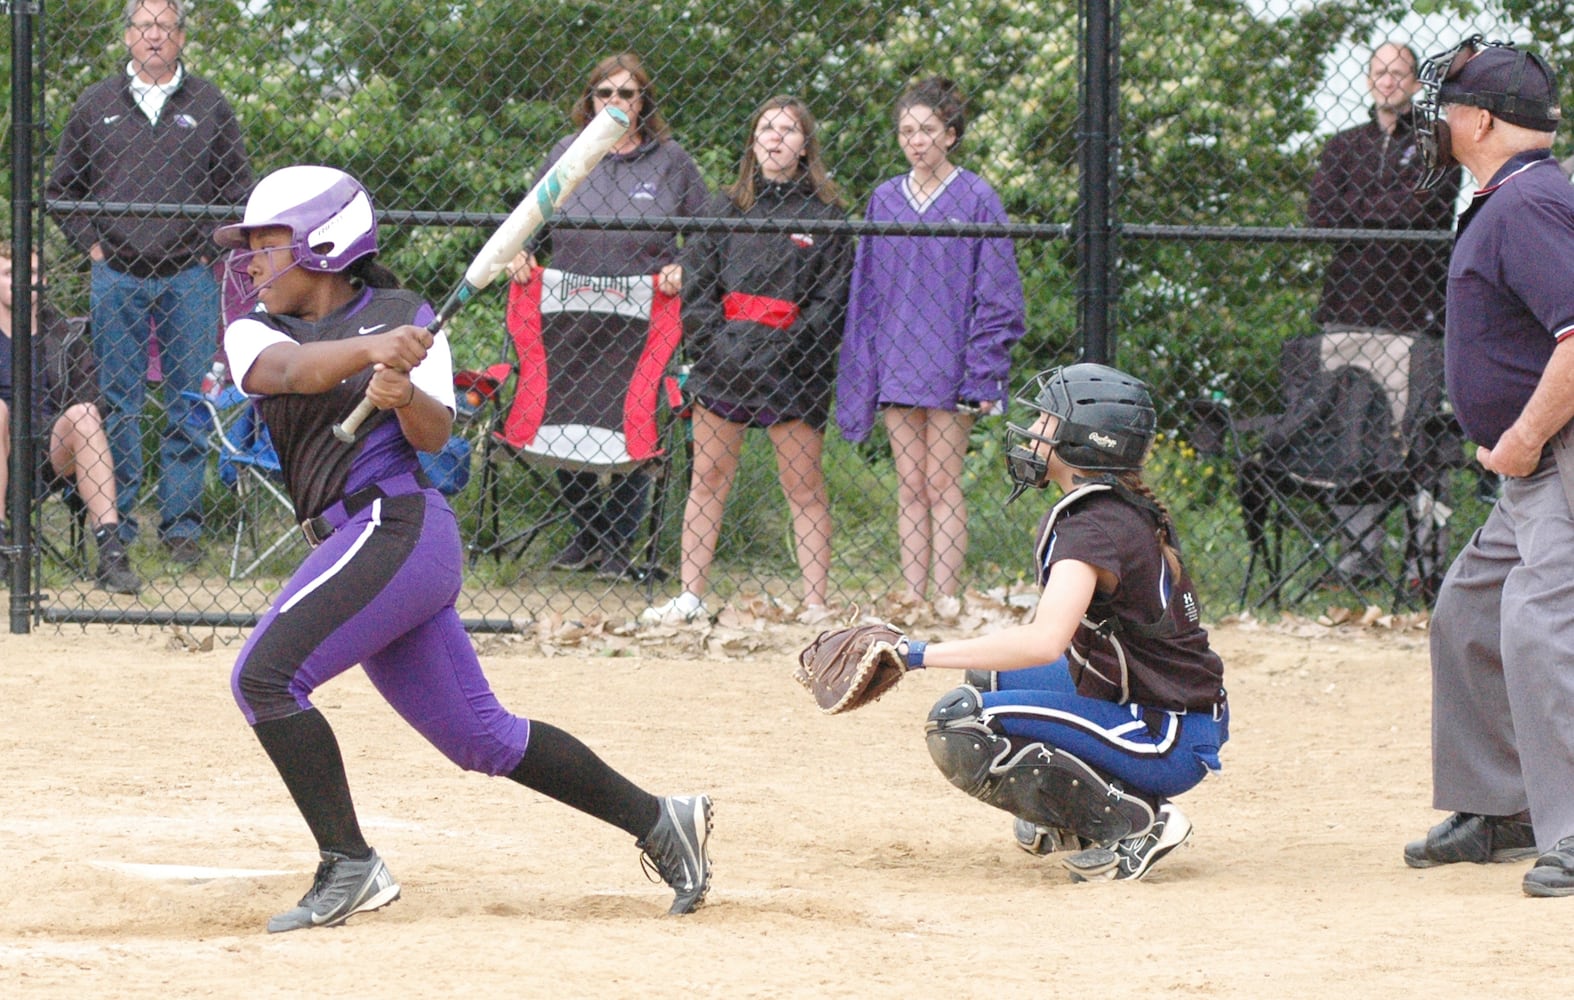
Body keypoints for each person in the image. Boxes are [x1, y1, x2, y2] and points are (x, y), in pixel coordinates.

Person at [214, 165, 712, 932]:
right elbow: (283, 372)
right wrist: (370, 354)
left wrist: (403, 392)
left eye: (268, 244)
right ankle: (662, 820)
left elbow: (434, 435)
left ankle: (350, 864)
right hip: (361, 541)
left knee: (265, 677)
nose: (252, 262)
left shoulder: (410, 318)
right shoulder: (263, 330)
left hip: (398, 529)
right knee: (483, 739)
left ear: (323, 242)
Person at [904, 364, 1228, 881]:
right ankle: (1075, 817)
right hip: (1152, 699)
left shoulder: (1095, 527)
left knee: (961, 723)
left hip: (1164, 733)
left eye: (1047, 422)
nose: (1033, 431)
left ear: (1087, 440)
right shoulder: (1109, 508)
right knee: (991, 679)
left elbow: (1043, 642)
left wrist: (914, 654)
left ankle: (1140, 821)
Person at [1402, 38, 1574, 898]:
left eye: (1449, 105)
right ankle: (1499, 805)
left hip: (1557, 455)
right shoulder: (1506, 197)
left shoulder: (1529, 203)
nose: (1439, 119)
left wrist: (1523, 438)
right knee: (1466, 612)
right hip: (1533, 466)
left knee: (1540, 626)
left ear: (1482, 120)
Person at [46, 0, 253, 565]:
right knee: (120, 402)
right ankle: (120, 527)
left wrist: (207, 243)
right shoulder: (95, 104)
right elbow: (61, 188)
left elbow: (238, 190)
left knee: (188, 400)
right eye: (143, 26)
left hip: (189, 277)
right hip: (117, 276)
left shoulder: (209, 104)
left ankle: (182, 526)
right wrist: (93, 242)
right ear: (128, 37)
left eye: (164, 26)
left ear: (182, 36)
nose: (154, 35)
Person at [639, 96, 852, 626]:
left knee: (803, 484)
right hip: (725, 362)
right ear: (753, 140)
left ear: (806, 146)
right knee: (708, 476)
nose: (775, 137)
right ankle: (690, 597)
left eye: (788, 129)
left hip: (793, 369)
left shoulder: (828, 217)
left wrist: (784, 349)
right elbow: (698, 289)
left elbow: (831, 304)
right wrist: (720, 345)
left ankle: (816, 605)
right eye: (765, 128)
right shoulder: (722, 207)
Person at [508, 52, 708, 581]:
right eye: (605, 93)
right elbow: (531, 219)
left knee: (631, 422)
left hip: (640, 325)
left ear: (644, 102)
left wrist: (683, 267)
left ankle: (619, 545)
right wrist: (523, 252)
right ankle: (589, 534)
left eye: (627, 93)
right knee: (565, 421)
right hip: (568, 318)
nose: (615, 102)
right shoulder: (565, 153)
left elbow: (709, 233)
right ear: (589, 100)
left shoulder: (671, 161)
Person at [837, 76, 1026, 608]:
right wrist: (866, 367)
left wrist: (983, 369)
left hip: (952, 363)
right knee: (910, 486)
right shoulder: (884, 200)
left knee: (943, 484)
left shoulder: (977, 197)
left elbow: (1000, 294)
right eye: (906, 131)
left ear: (951, 134)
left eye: (927, 129)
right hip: (897, 359)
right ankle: (913, 598)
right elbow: (867, 292)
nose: (916, 140)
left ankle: (946, 599)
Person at [1306, 42, 1461, 582]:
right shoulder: (1343, 145)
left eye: (1399, 73)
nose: (1388, 81)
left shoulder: (1438, 142)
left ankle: (1426, 563)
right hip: (1346, 311)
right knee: (1346, 437)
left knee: (1415, 439)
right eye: (1379, 72)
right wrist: (1385, 208)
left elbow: (1424, 207)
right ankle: (1358, 555)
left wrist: (1362, 211)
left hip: (1410, 317)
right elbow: (1321, 217)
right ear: (1369, 80)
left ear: (1418, 84)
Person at [0, 243, 141, 594]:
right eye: (9, 273)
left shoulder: (65, 333)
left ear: (43, 280)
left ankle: (111, 550)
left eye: (31, 273)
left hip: (49, 448)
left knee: (85, 414)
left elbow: (89, 397)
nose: (22, 282)